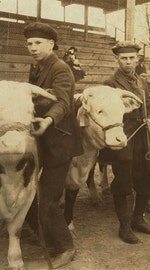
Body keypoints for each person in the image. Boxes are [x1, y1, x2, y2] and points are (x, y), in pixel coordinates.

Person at [23, 22, 83, 268]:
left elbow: (63, 102)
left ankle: (65, 247)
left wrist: (48, 119)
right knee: (30, 193)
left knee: (47, 198)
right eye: (29, 43)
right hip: (42, 140)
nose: (33, 47)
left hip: (60, 141)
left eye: (38, 43)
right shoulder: (36, 68)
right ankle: (44, 235)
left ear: (51, 44)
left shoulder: (61, 68)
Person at [101, 41, 150, 244]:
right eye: (124, 58)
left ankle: (137, 219)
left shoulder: (141, 82)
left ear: (137, 59)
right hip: (123, 135)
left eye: (132, 58)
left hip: (143, 135)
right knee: (123, 180)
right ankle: (124, 227)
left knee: (146, 177)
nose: (128, 62)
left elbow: (149, 105)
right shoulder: (110, 83)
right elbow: (108, 111)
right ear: (117, 59)